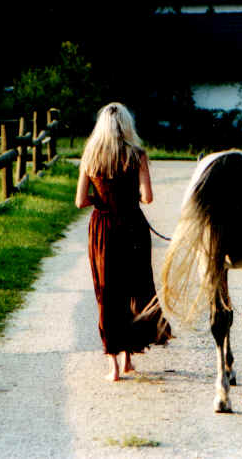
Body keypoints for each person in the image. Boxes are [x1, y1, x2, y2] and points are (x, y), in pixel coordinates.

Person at [75, 102, 171, 381]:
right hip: (132, 227)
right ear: (127, 125)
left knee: (107, 292)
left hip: (103, 229)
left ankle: (113, 365)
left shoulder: (90, 156)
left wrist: (102, 199)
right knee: (134, 289)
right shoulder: (137, 154)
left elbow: (80, 201)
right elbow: (147, 197)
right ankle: (129, 358)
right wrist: (128, 197)